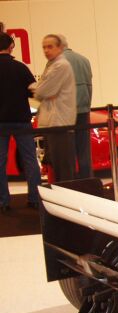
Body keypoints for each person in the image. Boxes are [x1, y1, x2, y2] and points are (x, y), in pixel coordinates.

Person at [0, 32, 42, 212]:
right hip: (21, 120)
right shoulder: (20, 68)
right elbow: (34, 92)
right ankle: (34, 199)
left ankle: (3, 202)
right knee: (30, 160)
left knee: (0, 162)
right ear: (11, 47)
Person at [30, 34, 76, 182]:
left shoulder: (60, 65)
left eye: (50, 46)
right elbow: (42, 90)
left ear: (60, 47)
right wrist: (40, 89)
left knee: (63, 168)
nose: (46, 50)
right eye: (44, 47)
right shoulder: (53, 65)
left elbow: (42, 91)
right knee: (57, 166)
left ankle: (67, 200)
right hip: (54, 122)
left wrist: (38, 89)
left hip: (59, 123)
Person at [60, 35, 93, 178]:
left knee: (67, 150)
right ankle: (87, 179)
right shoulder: (84, 60)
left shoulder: (57, 62)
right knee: (84, 149)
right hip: (83, 109)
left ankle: (72, 182)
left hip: (66, 111)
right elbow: (89, 85)